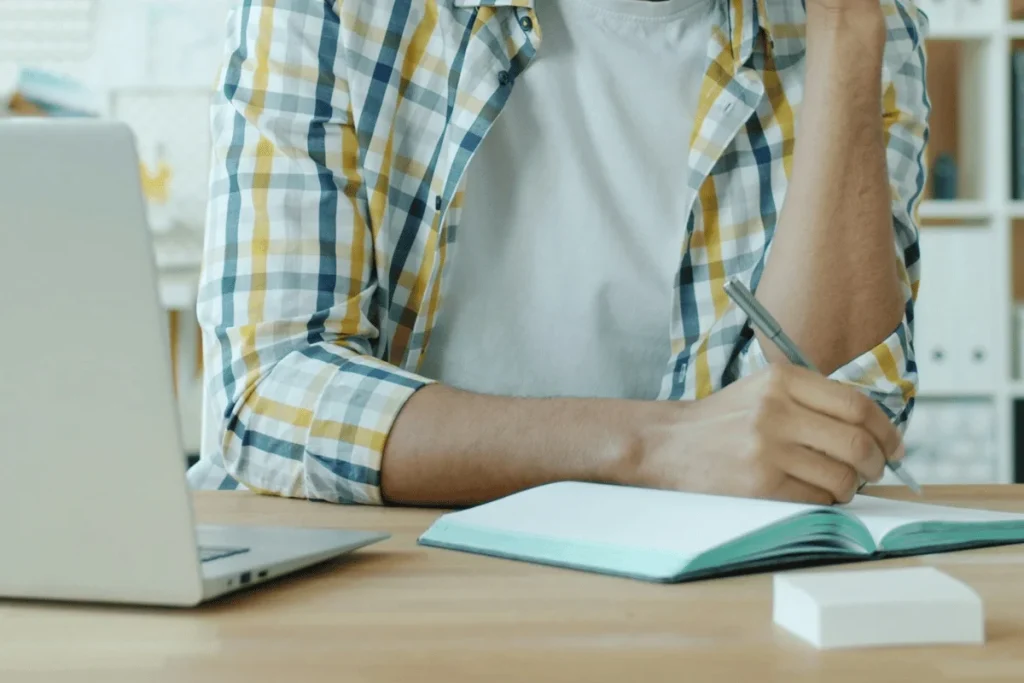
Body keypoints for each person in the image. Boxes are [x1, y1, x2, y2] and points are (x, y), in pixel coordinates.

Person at [188, 0, 928, 509]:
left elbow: (831, 423)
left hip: (681, 600)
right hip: (367, 576)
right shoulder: (336, 10)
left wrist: (847, 29)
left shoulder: (865, 28)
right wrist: (651, 447)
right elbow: (268, 390)